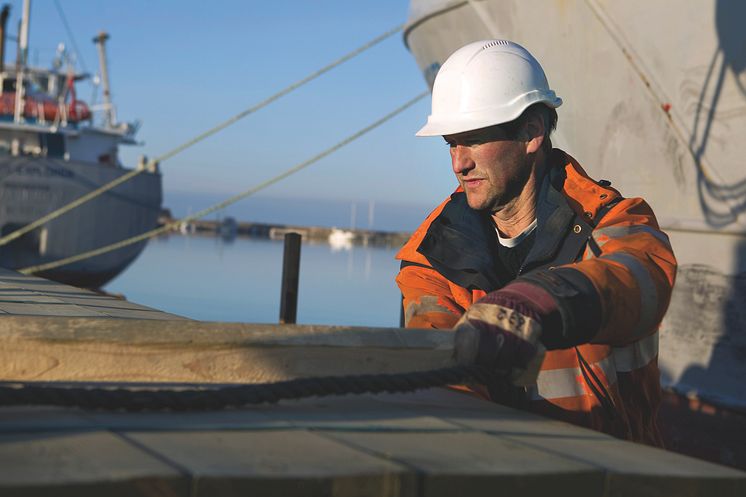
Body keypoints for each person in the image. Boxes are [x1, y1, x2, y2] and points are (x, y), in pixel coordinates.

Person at [396, 40, 677, 445]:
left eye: (473, 140)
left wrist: (536, 302)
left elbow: (643, 280)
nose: (459, 163)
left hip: (619, 476)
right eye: (451, 144)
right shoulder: (431, 258)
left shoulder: (613, 223)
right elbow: (442, 379)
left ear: (531, 132)